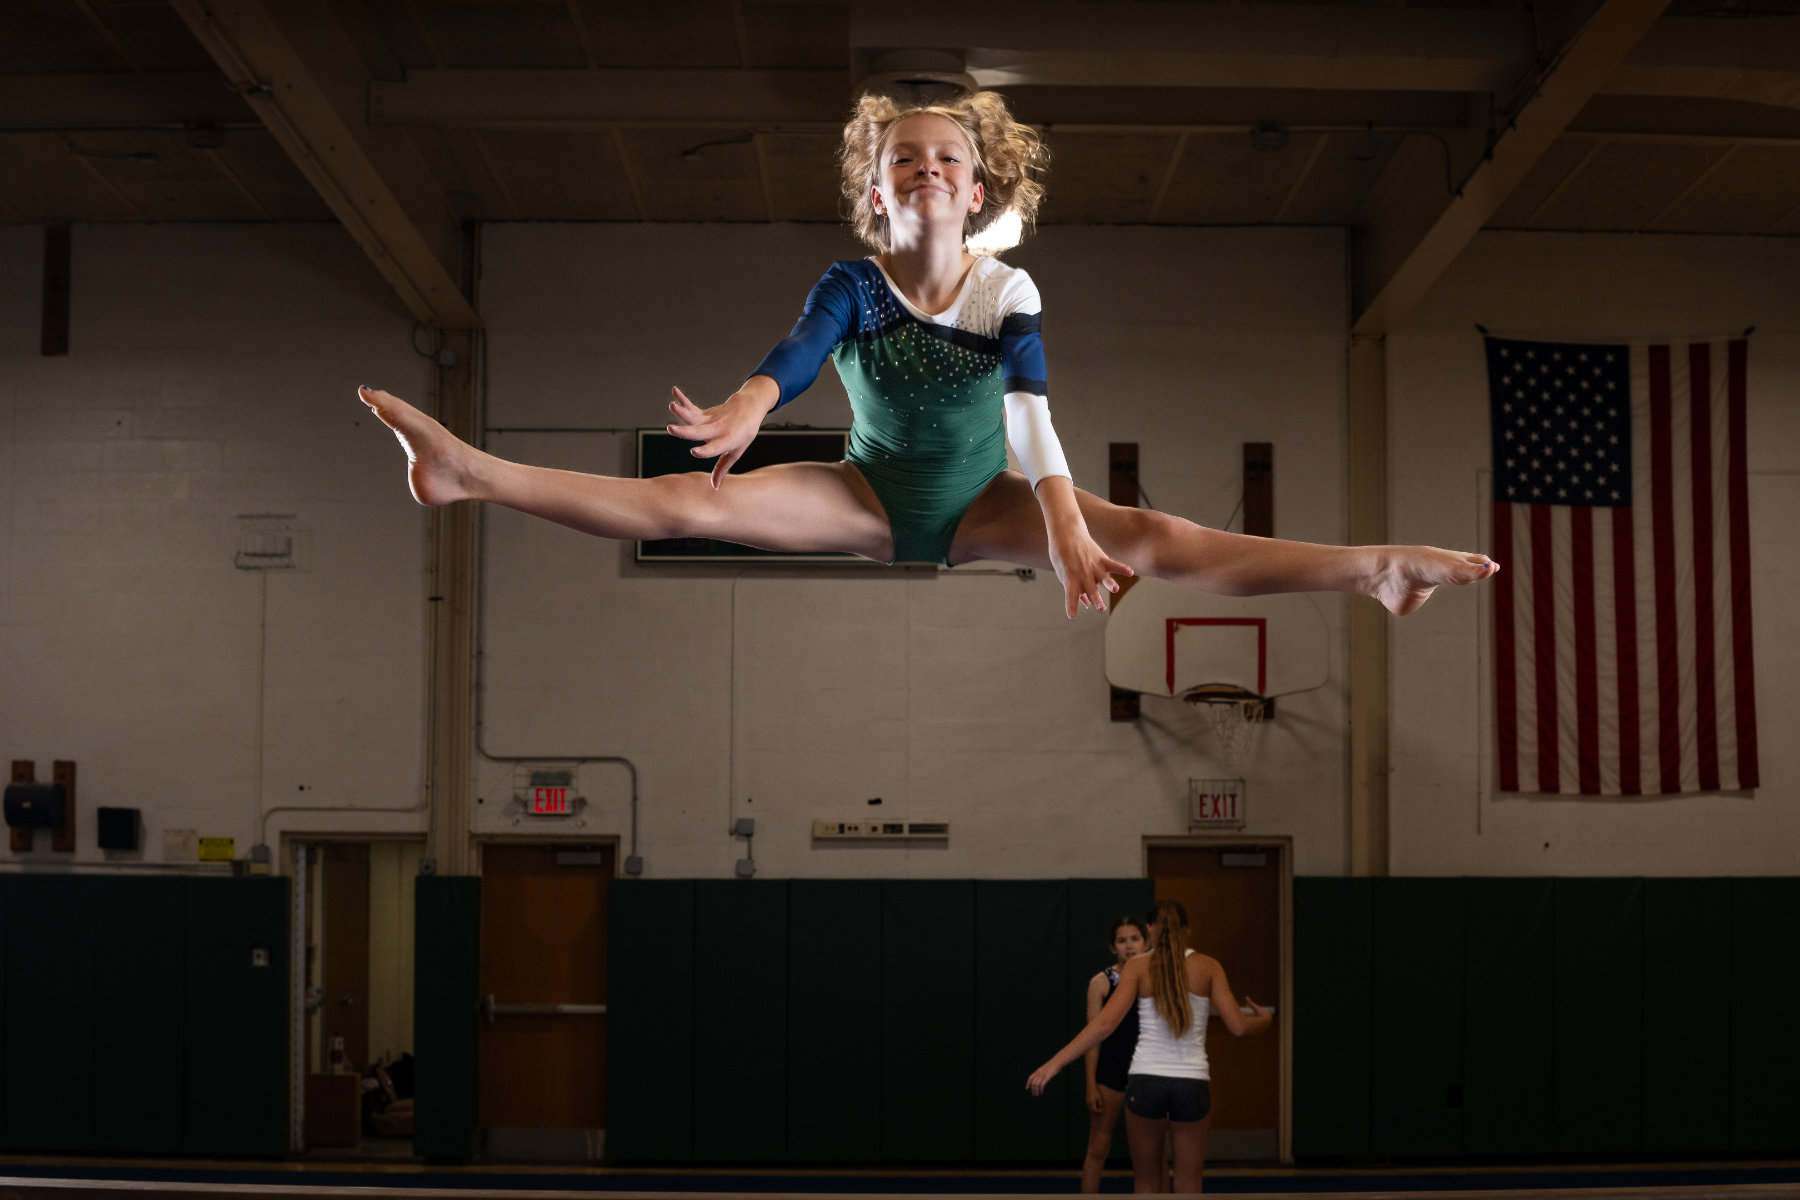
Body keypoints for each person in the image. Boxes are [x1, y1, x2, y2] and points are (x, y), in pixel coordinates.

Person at [358, 89, 1497, 620]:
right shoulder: (852, 284)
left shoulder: (1007, 287)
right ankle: (466, 472)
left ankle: (1374, 570)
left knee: (1153, 537)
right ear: (876, 186)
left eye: (948, 157)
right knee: (687, 503)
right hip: (862, 494)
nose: (928, 170)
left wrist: (1062, 531)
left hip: (984, 503)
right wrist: (754, 400)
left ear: (977, 187)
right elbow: (798, 354)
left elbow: (1033, 417)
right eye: (905, 158)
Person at [1028, 900, 1270, 1195]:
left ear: (1151, 930)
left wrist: (1054, 1063)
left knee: (1145, 1180)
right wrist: (1265, 1020)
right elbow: (1238, 1026)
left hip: (1146, 1082)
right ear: (1188, 930)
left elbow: (1103, 1025)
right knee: (1188, 1182)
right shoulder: (1208, 966)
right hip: (1191, 1082)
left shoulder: (1138, 966)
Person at [1082, 916, 1148, 1193]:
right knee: (1098, 1144)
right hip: (1111, 1071)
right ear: (1113, 947)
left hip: (1147, 1069)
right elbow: (1091, 1037)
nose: (1129, 946)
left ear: (1146, 942)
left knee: (1150, 1152)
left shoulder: (1154, 979)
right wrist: (1090, 1084)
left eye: (1135, 939)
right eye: (1122, 941)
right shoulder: (1101, 982)